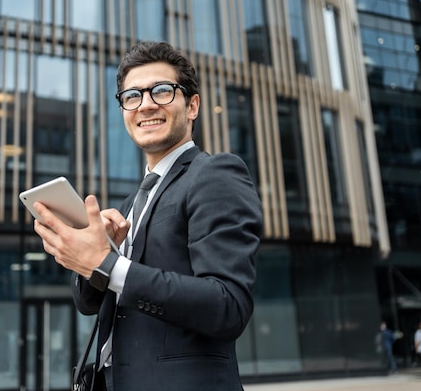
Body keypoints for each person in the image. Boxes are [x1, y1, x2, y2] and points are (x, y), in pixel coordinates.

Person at [32, 41, 262, 391]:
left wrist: (108, 264)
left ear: (193, 105)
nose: (146, 104)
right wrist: (90, 259)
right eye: (132, 96)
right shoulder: (129, 206)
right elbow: (88, 305)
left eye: (162, 91)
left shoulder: (216, 174)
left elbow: (227, 305)